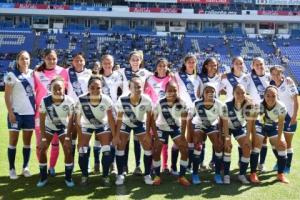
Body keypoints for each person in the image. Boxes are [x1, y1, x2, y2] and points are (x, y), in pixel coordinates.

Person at [34, 49, 69, 176]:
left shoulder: (63, 71)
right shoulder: (37, 73)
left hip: (58, 114)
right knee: (40, 145)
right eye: (49, 58)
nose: (51, 61)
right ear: (44, 58)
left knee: (55, 144)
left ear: (57, 59)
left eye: (54, 58)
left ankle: (52, 167)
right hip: (41, 114)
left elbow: (67, 93)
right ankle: (42, 167)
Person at [76, 76, 116, 186]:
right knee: (82, 150)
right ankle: (84, 175)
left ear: (102, 88)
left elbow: (111, 119)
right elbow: (77, 120)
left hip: (102, 125)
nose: (95, 90)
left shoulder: (106, 99)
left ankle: (105, 176)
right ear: (88, 88)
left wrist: (115, 136)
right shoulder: (81, 99)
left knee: (107, 150)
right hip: (86, 125)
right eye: (92, 87)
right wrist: (80, 139)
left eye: (98, 87)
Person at [114, 77, 153, 185]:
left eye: (139, 87)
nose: (137, 89)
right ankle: (120, 174)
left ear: (142, 88)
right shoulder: (122, 99)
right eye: (134, 87)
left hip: (139, 123)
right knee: (120, 146)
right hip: (126, 123)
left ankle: (147, 174)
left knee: (148, 146)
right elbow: (119, 118)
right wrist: (117, 135)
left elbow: (149, 117)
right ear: (129, 88)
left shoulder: (147, 100)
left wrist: (147, 133)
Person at [36, 77, 74, 187]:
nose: (57, 91)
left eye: (60, 88)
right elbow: (42, 121)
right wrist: (42, 139)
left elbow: (71, 121)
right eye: (55, 89)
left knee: (68, 149)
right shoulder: (45, 100)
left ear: (64, 89)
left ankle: (68, 178)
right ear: (51, 89)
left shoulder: (70, 101)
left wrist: (67, 138)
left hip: (63, 127)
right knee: (42, 148)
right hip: (48, 126)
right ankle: (43, 178)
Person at [118, 50, 152, 175]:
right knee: (125, 140)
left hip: (139, 109)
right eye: (133, 59)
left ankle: (138, 166)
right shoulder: (122, 71)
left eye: (137, 59)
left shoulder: (146, 73)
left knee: (138, 140)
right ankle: (125, 166)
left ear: (141, 60)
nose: (135, 61)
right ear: (129, 61)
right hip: (125, 108)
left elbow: (159, 77)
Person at [152, 81, 190, 186]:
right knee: (157, 148)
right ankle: (157, 175)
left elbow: (184, 121)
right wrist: (155, 136)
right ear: (165, 91)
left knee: (184, 148)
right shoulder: (160, 103)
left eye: (174, 90)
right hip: (161, 128)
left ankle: (181, 176)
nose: (172, 93)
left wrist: (182, 136)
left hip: (174, 128)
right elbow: (153, 121)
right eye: (169, 90)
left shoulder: (182, 103)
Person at [188, 82, 227, 184]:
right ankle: (195, 174)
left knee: (218, 145)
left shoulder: (219, 104)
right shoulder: (196, 103)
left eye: (212, 91)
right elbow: (189, 119)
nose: (210, 93)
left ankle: (217, 174)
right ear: (203, 93)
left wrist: (221, 135)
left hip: (212, 125)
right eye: (207, 91)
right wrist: (189, 134)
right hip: (199, 124)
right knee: (197, 145)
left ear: (215, 93)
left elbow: (223, 119)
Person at [5, 51, 35, 179]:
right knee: (13, 141)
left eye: (27, 59)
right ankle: (12, 169)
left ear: (30, 60)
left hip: (30, 113)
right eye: (22, 59)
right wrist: (10, 112)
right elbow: (6, 95)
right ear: (18, 60)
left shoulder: (34, 74)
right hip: (16, 113)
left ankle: (25, 167)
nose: (25, 61)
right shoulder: (12, 75)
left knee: (27, 143)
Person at [250, 86, 289, 184]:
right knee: (257, 144)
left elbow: (281, 124)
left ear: (277, 96)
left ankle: (280, 174)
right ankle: (253, 173)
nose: (270, 98)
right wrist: (253, 136)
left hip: (273, 126)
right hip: (261, 125)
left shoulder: (281, 106)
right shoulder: (258, 104)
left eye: (273, 96)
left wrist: (280, 139)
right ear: (264, 95)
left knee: (283, 146)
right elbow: (252, 121)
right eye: (268, 95)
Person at [144, 58, 175, 174]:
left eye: (164, 66)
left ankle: (165, 166)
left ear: (167, 67)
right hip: (154, 114)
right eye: (159, 66)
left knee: (165, 142)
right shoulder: (150, 79)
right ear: (156, 67)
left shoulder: (171, 78)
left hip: (168, 113)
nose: (162, 68)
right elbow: (146, 95)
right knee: (154, 141)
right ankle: (153, 164)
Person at [174, 54, 201, 174]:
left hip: (194, 111)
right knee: (178, 138)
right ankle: (173, 166)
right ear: (185, 63)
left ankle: (188, 164)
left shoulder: (198, 78)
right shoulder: (177, 75)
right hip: (181, 110)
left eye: (193, 62)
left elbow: (199, 94)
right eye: (189, 62)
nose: (191, 64)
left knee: (191, 138)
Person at [223, 84, 254, 184]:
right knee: (227, 147)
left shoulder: (249, 106)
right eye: (238, 93)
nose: (240, 95)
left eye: (243, 93)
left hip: (239, 128)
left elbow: (249, 124)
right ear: (233, 94)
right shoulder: (227, 105)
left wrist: (247, 139)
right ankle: (226, 174)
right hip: (226, 127)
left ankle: (242, 174)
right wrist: (227, 140)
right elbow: (224, 124)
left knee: (246, 147)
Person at [270, 66, 298, 173]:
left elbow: (295, 101)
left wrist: (294, 117)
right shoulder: (272, 85)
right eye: (273, 74)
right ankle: (280, 162)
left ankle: (287, 166)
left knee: (287, 143)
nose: (276, 76)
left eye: (278, 74)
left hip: (290, 117)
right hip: (278, 118)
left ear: (282, 74)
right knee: (277, 143)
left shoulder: (288, 82)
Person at [220, 56, 249, 164]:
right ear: (232, 65)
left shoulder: (247, 78)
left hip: (241, 112)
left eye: (241, 63)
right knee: (224, 141)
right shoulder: (226, 77)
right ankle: (218, 163)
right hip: (228, 111)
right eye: (237, 63)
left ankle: (241, 162)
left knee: (243, 141)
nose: (239, 65)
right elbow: (216, 88)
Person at [67, 52, 92, 170]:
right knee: (72, 136)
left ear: (84, 62)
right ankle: (70, 161)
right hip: (71, 109)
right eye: (76, 60)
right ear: (73, 61)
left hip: (85, 109)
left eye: (81, 60)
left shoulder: (89, 73)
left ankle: (85, 162)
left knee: (84, 137)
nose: (78, 62)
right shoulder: (67, 72)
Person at [245, 57, 270, 172]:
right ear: (253, 66)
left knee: (264, 139)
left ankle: (262, 163)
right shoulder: (248, 78)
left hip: (267, 112)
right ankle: (246, 161)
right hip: (253, 113)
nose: (260, 66)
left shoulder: (270, 76)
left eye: (261, 64)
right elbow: (241, 91)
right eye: (257, 65)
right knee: (253, 138)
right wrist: (250, 101)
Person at [197, 57, 222, 171]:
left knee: (215, 138)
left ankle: (213, 162)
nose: (213, 67)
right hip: (202, 109)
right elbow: (197, 93)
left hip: (214, 110)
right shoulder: (200, 77)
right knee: (202, 138)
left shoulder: (220, 78)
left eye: (215, 65)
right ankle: (201, 163)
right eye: (211, 65)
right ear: (206, 66)